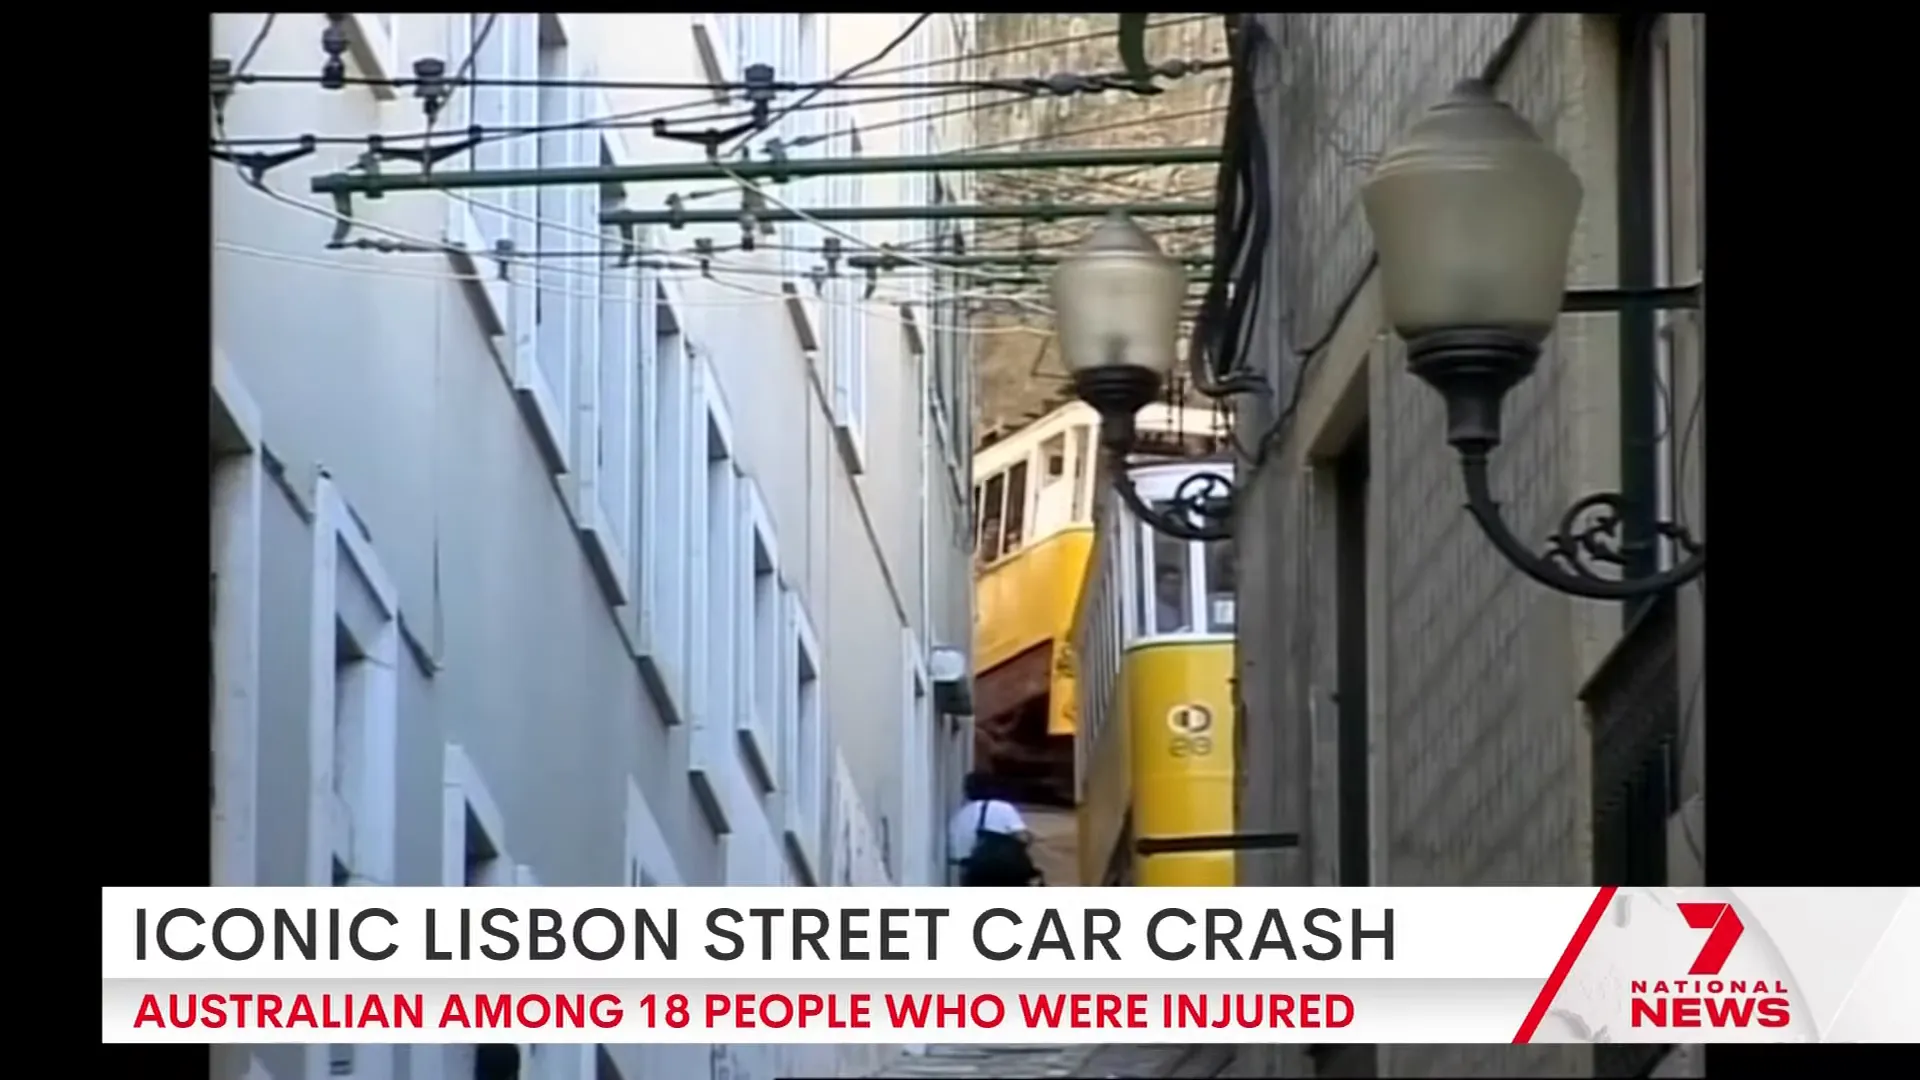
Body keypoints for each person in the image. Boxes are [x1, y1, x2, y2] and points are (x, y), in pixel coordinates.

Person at [948, 771, 1039, 886]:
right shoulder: (1003, 808)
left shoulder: (960, 815)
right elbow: (1022, 837)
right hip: (1002, 873)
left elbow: (956, 850)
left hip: (973, 874)